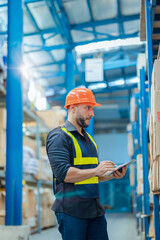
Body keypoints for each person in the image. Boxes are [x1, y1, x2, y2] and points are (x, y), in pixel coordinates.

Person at [46, 87, 127, 240]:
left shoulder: (89, 140)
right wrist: (97, 171)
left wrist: (111, 175)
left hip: (94, 210)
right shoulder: (59, 137)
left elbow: (90, 175)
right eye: (88, 108)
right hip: (71, 211)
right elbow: (63, 174)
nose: (92, 113)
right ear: (72, 108)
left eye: (92, 108)